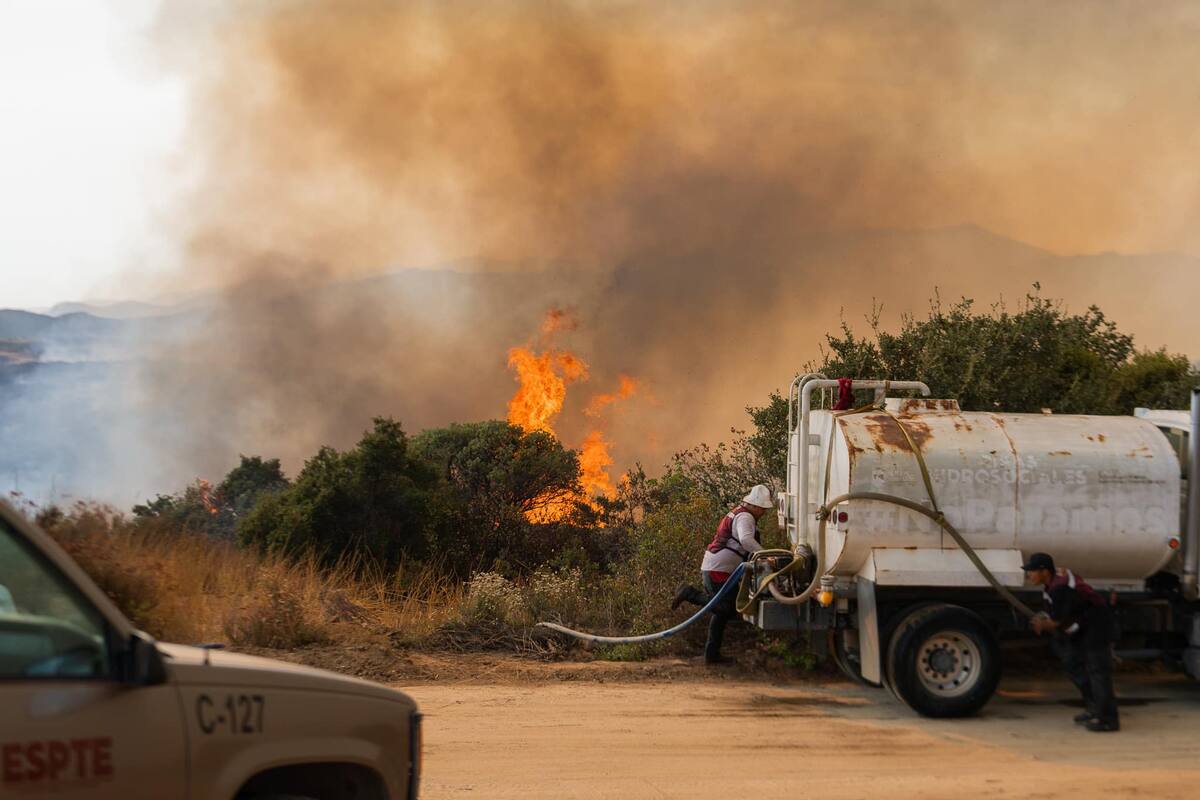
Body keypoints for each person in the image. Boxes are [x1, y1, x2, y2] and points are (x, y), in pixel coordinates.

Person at [671, 485, 773, 664]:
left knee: (721, 613)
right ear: (756, 506)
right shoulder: (745, 517)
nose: (763, 513)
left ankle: (712, 655)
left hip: (717, 567)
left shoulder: (739, 512)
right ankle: (689, 593)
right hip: (717, 570)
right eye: (763, 509)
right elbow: (746, 540)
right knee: (727, 608)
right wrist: (765, 554)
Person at [1024, 552, 1120, 732]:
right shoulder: (1051, 584)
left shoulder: (1060, 588)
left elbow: (1058, 621)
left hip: (1096, 626)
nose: (1028, 575)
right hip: (1082, 626)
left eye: (1032, 571)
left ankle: (1108, 720)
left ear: (1044, 571)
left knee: (1098, 672)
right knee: (1072, 664)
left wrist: (1043, 625)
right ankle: (1094, 709)